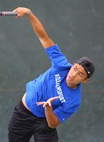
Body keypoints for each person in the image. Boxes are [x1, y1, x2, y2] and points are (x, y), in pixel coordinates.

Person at [8, 7, 95, 142]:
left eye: (80, 74)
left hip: (44, 121)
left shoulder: (74, 100)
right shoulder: (61, 65)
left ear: (85, 80)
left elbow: (52, 123)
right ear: (72, 65)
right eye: (75, 68)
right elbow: (43, 37)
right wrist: (30, 14)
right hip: (23, 112)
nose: (74, 74)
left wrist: (48, 108)